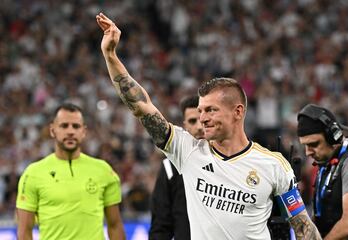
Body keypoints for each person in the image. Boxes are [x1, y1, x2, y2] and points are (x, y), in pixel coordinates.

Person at [96, 12, 321, 239]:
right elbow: (141, 106)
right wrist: (110, 54)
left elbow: (303, 227)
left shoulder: (273, 165)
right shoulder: (188, 151)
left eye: (211, 110)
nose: (203, 118)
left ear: (238, 112)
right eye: (201, 111)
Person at [16, 103, 126, 240]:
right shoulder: (33, 174)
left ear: (84, 132)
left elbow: (115, 225)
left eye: (76, 126)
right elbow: (24, 231)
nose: (70, 131)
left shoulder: (104, 171)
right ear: (52, 130)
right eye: (64, 126)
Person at [297, 103, 348, 239]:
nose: (307, 152)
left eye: (314, 144)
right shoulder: (327, 163)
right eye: (305, 145)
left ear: (334, 136)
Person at [149, 95, 204, 240]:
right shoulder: (169, 167)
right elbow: (161, 225)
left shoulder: (228, 163)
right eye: (193, 121)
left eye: (203, 120)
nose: (199, 126)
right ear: (185, 125)